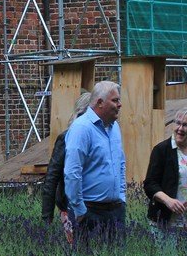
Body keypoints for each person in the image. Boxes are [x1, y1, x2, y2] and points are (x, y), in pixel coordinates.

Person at [64, 81, 126, 240]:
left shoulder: (114, 127)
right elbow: (72, 172)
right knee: (89, 255)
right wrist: (80, 210)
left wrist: (121, 197)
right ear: (100, 103)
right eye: (115, 100)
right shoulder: (81, 129)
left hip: (115, 211)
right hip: (90, 211)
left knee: (117, 255)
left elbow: (120, 164)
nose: (120, 104)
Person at [144, 108, 187, 245]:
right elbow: (150, 184)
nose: (180, 128)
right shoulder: (161, 150)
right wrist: (168, 200)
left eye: (186, 125)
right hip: (165, 224)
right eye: (177, 123)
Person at [42, 92, 92, 243]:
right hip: (70, 203)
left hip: (95, 204)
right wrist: (47, 216)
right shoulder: (66, 138)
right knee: (77, 246)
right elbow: (52, 177)